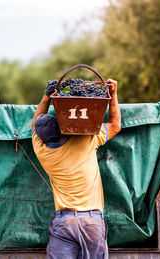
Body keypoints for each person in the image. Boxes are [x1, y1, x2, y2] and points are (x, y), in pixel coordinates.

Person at [31, 79, 121, 259]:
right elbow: (115, 125)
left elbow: (34, 127)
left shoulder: (42, 151)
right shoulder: (86, 140)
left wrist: (46, 96)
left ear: (42, 138)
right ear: (62, 128)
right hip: (91, 222)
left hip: (63, 222)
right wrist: (114, 95)